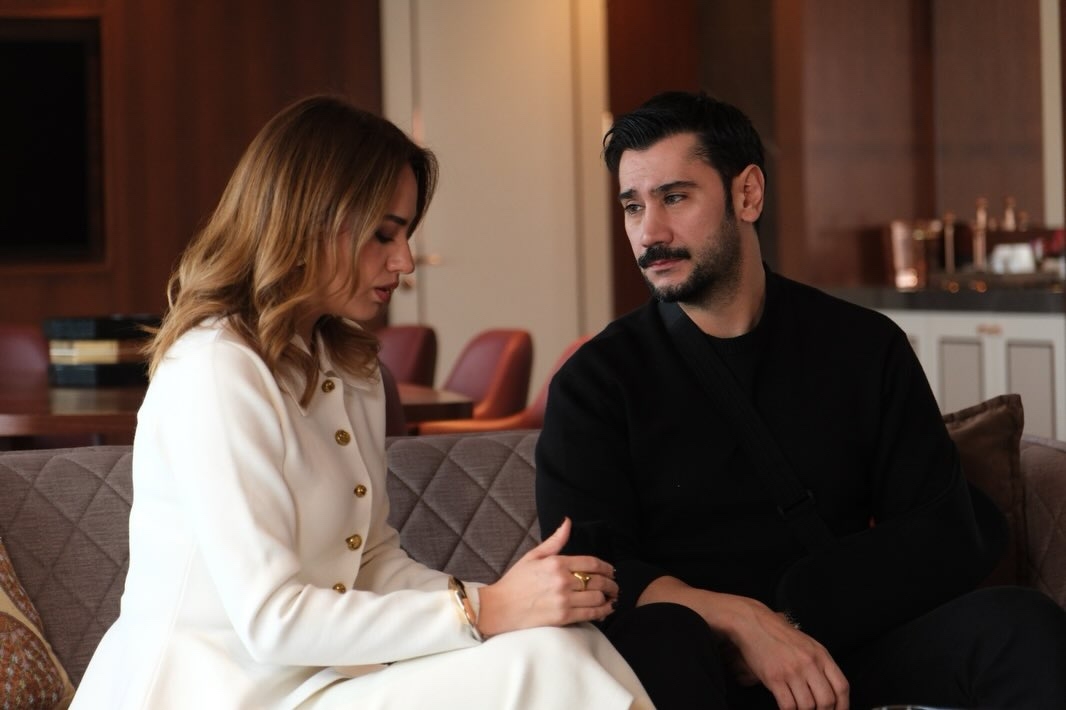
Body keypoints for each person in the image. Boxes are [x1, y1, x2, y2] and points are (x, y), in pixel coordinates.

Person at [71, 95, 652, 709]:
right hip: (212, 694)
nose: (404, 261)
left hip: (321, 680)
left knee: (561, 640)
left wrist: (513, 603)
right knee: (541, 660)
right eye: (383, 234)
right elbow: (272, 622)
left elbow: (370, 561)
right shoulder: (216, 367)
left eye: (405, 235)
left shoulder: (350, 366)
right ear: (306, 220)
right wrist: (486, 609)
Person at [535, 90, 1066, 710]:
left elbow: (936, 529)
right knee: (664, 640)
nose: (649, 232)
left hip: (839, 649)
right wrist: (739, 622)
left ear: (747, 194)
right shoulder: (596, 381)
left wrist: (796, 620)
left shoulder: (863, 346)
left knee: (1019, 625)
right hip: (694, 667)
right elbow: (588, 569)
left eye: (674, 197)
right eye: (633, 206)